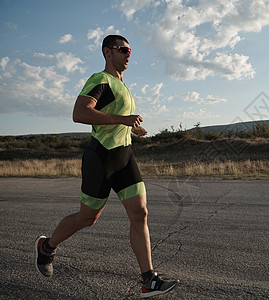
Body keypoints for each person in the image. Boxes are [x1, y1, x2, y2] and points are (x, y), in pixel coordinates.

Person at [35, 35, 178, 298]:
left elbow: (112, 121)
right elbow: (80, 113)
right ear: (107, 52)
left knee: (140, 213)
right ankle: (47, 246)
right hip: (101, 158)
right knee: (87, 218)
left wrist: (131, 129)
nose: (128, 54)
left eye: (130, 50)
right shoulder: (100, 80)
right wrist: (123, 119)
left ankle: (149, 279)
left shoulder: (122, 85)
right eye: (123, 49)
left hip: (124, 156)